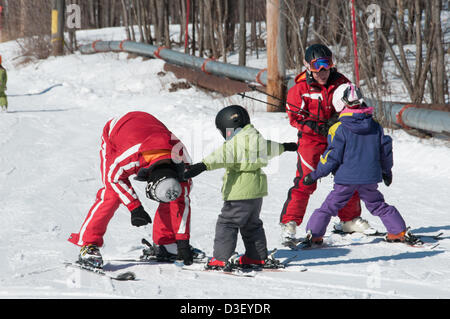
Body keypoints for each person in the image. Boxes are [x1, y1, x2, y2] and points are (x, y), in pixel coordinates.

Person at [68, 111, 197, 268]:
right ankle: (88, 244)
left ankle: (166, 243)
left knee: (173, 195)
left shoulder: (184, 165)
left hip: (148, 132)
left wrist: (183, 242)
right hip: (117, 133)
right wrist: (135, 208)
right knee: (112, 195)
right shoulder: (130, 157)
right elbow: (113, 178)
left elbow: (181, 202)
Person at [183, 105, 298, 269]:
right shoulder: (258, 140)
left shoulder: (235, 143)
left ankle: (221, 258)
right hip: (256, 192)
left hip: (239, 192)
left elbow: (219, 156)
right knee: (252, 224)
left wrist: (201, 166)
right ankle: (256, 256)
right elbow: (272, 147)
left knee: (227, 222)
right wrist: (286, 146)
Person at [279, 43, 370, 245]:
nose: (322, 71)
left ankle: (349, 219)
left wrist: (338, 119)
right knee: (306, 180)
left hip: (337, 138)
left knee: (347, 177)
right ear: (308, 66)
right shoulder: (300, 89)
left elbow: (354, 105)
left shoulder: (342, 83)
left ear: (332, 64)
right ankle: (290, 222)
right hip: (311, 140)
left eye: (326, 64)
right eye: (316, 66)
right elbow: (295, 118)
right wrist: (317, 127)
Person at [303, 83, 413, 244]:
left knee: (329, 207)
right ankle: (398, 231)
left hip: (346, 179)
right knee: (377, 204)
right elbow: (385, 152)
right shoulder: (375, 126)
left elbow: (331, 156)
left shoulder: (339, 129)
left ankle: (315, 234)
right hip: (370, 177)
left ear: (339, 103)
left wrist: (315, 175)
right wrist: (386, 172)